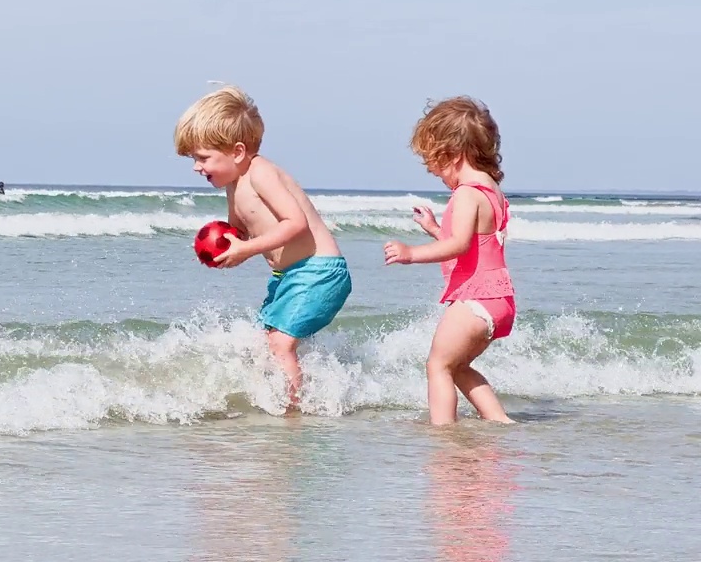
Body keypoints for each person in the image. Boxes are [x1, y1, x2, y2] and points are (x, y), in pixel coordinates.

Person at [174, 84, 352, 409]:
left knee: (280, 345)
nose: (196, 167)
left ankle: (292, 415)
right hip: (288, 276)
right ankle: (294, 395)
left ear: (237, 152)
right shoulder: (233, 184)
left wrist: (247, 250)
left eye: (203, 157)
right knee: (263, 342)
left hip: (319, 272)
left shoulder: (262, 174)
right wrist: (226, 244)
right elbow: (238, 229)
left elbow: (294, 222)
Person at [382, 96, 515, 425]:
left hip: (475, 300)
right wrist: (434, 228)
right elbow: (474, 244)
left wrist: (411, 253)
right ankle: (499, 421)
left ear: (453, 154)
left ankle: (443, 432)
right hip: (499, 300)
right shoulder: (492, 191)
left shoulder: (467, 192)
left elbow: (458, 245)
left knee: (437, 366)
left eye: (435, 165)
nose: (435, 173)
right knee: (458, 367)